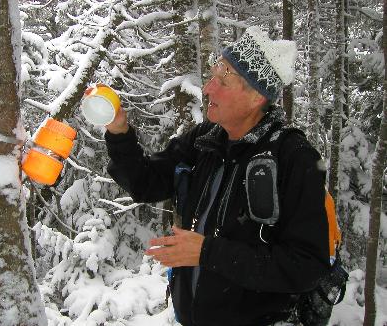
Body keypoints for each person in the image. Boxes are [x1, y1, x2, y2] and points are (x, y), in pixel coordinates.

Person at [104, 26, 330, 326]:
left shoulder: (293, 157)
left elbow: (306, 267)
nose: (208, 89)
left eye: (222, 81)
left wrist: (208, 252)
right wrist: (119, 134)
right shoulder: (206, 139)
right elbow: (146, 183)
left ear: (257, 97)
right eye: (212, 77)